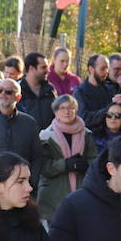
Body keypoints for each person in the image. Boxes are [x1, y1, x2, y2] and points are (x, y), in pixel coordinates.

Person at [35, 94, 95, 222]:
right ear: (55, 112)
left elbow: (93, 159)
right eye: (62, 108)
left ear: (76, 110)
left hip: (82, 192)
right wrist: (66, 164)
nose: (67, 111)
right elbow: (43, 166)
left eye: (71, 108)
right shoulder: (45, 136)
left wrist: (86, 166)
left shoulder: (87, 134)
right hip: (53, 197)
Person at [76, 52, 121, 130]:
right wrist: (110, 108)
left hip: (113, 136)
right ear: (91, 69)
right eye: (102, 69)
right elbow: (84, 120)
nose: (106, 72)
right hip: (92, 138)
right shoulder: (79, 92)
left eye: (107, 69)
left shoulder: (110, 89)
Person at [18, 52, 56, 130]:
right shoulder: (17, 90)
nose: (48, 70)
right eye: (43, 67)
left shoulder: (50, 90)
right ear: (32, 68)